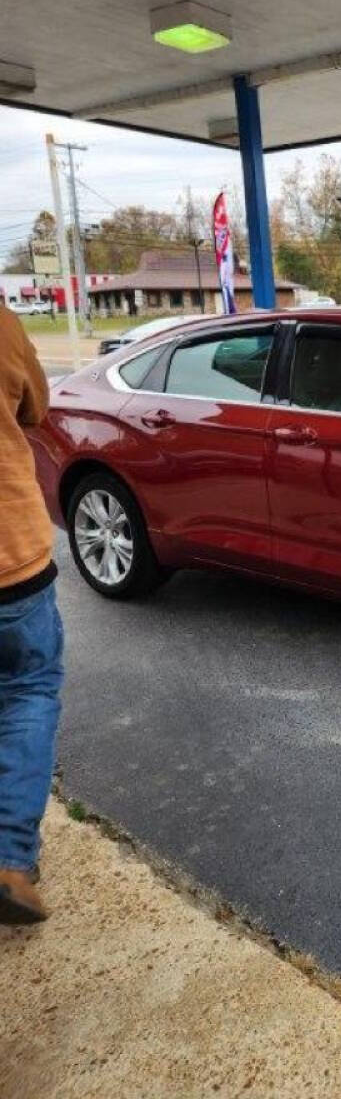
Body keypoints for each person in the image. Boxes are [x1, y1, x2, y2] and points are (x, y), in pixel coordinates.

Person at [0, 303, 62, 924]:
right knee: (28, 690)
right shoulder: (4, 326)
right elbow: (35, 409)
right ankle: (10, 859)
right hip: (11, 558)